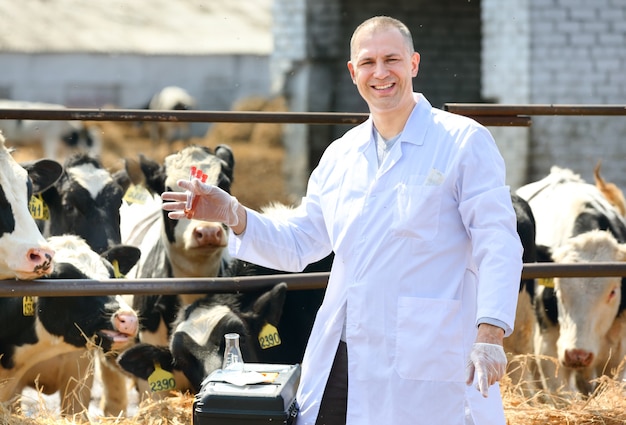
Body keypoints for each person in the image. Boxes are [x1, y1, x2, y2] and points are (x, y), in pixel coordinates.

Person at [162, 15, 522, 425]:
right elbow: (302, 243)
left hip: (428, 353)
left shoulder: (462, 141)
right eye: (368, 62)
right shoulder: (340, 156)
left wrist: (491, 331)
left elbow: (498, 241)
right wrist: (234, 214)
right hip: (346, 350)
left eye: (392, 59)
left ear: (414, 64)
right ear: (353, 72)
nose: (381, 73)